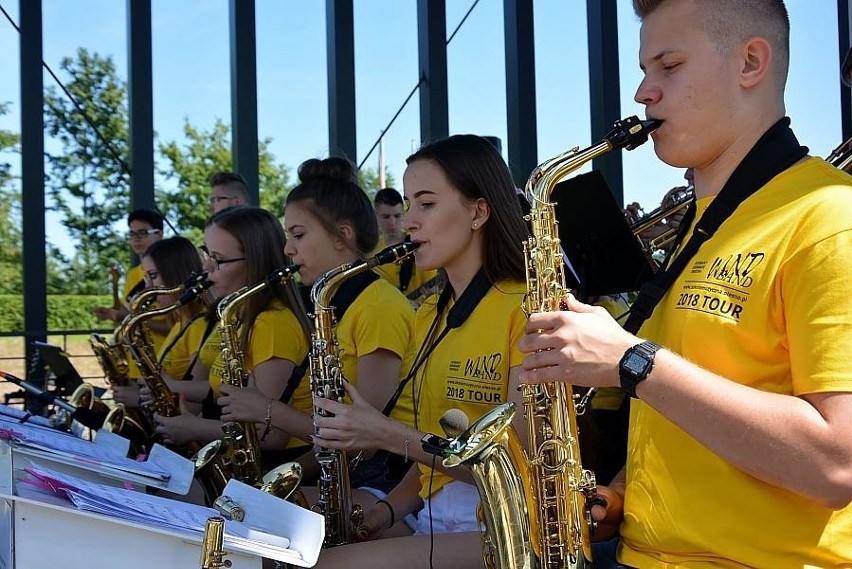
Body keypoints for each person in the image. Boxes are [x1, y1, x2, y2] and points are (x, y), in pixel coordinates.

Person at [519, 1, 852, 567]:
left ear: (751, 62)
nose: (643, 94)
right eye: (645, 71)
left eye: (668, 67)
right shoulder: (707, 222)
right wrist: (621, 495)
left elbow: (837, 463)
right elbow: (694, 409)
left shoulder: (828, 219)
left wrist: (633, 362)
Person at [309, 135, 531, 568]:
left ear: (478, 212)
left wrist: (386, 434)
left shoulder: (527, 308)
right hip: (435, 521)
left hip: (510, 531)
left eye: (426, 204)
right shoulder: (430, 312)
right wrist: (384, 511)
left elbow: (515, 469)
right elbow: (433, 452)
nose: (410, 221)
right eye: (408, 204)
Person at [219, 158, 415, 489]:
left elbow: (366, 443)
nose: (287, 248)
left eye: (298, 234)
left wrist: (267, 410)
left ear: (342, 236)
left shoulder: (379, 306)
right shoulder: (330, 304)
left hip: (384, 481)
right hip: (345, 473)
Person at [153, 207, 310, 463]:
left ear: (254, 263)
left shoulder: (272, 323)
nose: (206, 267)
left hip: (276, 466)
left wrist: (193, 427)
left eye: (217, 259)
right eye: (206, 253)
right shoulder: (240, 316)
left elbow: (271, 435)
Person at [111, 236, 209, 413]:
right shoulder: (181, 322)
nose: (148, 288)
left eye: (153, 276)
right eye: (146, 278)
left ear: (176, 274)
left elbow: (200, 401)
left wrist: (142, 399)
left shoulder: (199, 324)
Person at [93, 208, 164, 323]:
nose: (136, 238)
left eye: (142, 233)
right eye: (132, 234)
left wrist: (130, 319)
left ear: (159, 234)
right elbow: (128, 311)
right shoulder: (132, 274)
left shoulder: (171, 269)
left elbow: (178, 323)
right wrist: (110, 313)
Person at [371, 187, 440, 305]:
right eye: (386, 217)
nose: (392, 222)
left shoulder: (419, 244)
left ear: (404, 213)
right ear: (376, 215)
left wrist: (430, 298)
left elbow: (432, 287)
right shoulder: (370, 252)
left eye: (397, 216)